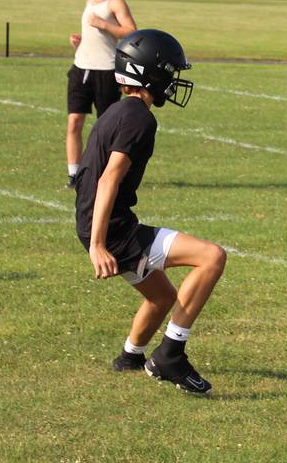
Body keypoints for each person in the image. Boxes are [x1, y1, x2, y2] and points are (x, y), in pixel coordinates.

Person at [74, 29, 226, 394]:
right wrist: (98, 244)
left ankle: (131, 356)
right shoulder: (140, 118)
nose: (172, 81)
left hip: (101, 222)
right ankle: (171, 355)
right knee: (212, 257)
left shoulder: (116, 110)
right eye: (168, 73)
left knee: (162, 298)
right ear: (149, 74)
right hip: (112, 228)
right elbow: (109, 178)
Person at [66, 0, 138, 188]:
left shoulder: (115, 2)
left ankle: (104, 171)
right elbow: (94, 35)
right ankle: (74, 174)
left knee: (105, 126)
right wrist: (80, 41)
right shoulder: (89, 3)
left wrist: (103, 25)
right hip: (81, 67)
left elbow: (131, 32)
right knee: (74, 121)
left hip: (106, 71)